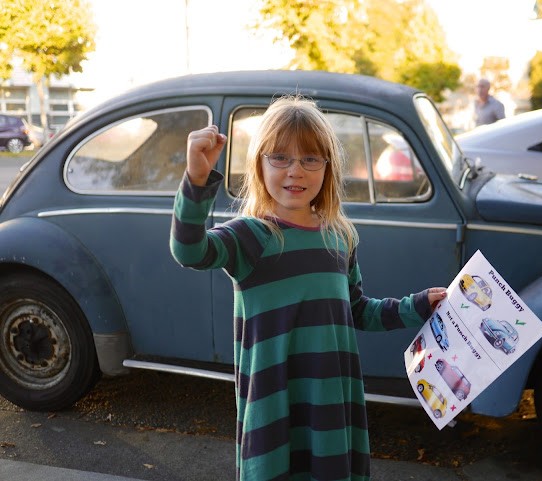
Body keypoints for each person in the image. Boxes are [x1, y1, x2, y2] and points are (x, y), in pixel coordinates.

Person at [170, 95, 447, 481]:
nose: (295, 171)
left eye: (310, 159)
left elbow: (356, 310)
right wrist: (197, 181)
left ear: (327, 168)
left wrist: (417, 306)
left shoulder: (339, 237)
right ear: (259, 164)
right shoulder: (250, 236)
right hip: (274, 406)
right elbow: (189, 251)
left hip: (331, 405)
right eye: (280, 157)